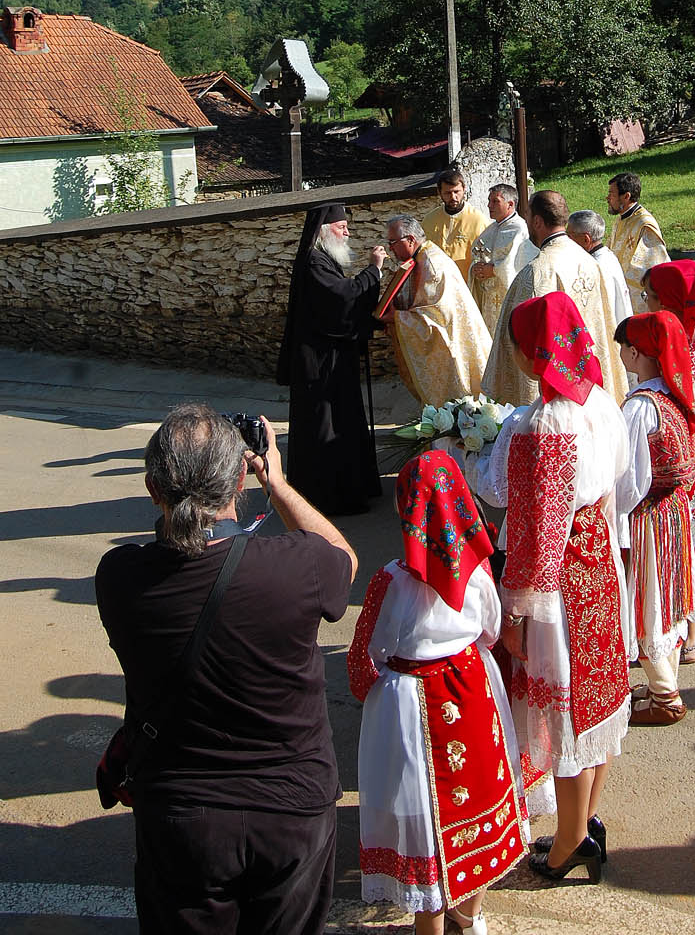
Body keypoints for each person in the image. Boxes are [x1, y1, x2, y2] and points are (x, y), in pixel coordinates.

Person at [95, 405, 357, 935]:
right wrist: (276, 483)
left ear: (152, 488)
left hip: (181, 816)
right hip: (292, 808)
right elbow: (344, 559)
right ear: (239, 480)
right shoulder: (297, 567)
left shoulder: (120, 577)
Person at [478, 292, 630, 884]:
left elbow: (537, 528)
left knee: (563, 707)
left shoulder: (545, 424)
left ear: (532, 353)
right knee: (595, 698)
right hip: (598, 565)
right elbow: (620, 481)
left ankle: (568, 842)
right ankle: (584, 820)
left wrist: (517, 612)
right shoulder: (601, 403)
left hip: (559, 582)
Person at [348, 450, 529, 934]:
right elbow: (490, 631)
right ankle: (469, 916)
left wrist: (372, 689)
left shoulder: (390, 581)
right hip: (472, 690)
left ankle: (428, 925)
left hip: (411, 706)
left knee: (422, 825)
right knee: (478, 803)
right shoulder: (479, 571)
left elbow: (365, 656)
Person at [615, 312, 695, 723]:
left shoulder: (639, 407)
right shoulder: (674, 395)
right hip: (674, 511)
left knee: (646, 599)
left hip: (648, 517)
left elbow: (629, 479)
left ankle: (666, 696)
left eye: (623, 348)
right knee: (669, 597)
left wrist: (615, 516)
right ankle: (660, 685)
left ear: (635, 353)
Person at [277, 203, 385, 516]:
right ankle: (329, 497)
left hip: (331, 359)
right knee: (326, 426)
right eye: (342, 227)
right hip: (319, 364)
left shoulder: (322, 260)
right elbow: (343, 297)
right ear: (325, 231)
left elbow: (343, 303)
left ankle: (353, 487)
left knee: (342, 421)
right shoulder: (314, 262)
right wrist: (374, 270)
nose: (347, 232)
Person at [481, 191, 629, 407]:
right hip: (589, 380)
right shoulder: (588, 260)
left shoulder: (538, 271)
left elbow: (524, 340)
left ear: (537, 222)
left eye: (528, 216)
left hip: (556, 393)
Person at [644, 261, 695, 663]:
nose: (645, 302)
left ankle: (685, 631)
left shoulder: (681, 344)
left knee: (681, 541)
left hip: (674, 452)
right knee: (691, 542)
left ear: (668, 300)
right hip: (693, 444)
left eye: (649, 296)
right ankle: (686, 631)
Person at [382, 216, 492, 408]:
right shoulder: (422, 257)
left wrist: (397, 318)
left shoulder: (432, 265)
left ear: (410, 240)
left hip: (452, 344)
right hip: (451, 340)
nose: (390, 248)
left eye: (393, 242)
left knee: (459, 406)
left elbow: (436, 318)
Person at [469, 182, 537, 333]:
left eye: (495, 201)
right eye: (489, 201)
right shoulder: (491, 229)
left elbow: (518, 264)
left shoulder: (519, 229)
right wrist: (476, 267)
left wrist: (493, 270)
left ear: (510, 204)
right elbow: (476, 254)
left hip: (507, 297)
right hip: (488, 298)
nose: (489, 205)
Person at [606, 172, 670, 312]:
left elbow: (651, 265)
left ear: (626, 196)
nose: (607, 198)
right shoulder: (620, 219)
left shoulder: (644, 224)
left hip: (636, 300)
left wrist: (618, 282)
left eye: (611, 194)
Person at [567, 208, 631, 329]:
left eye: (569, 236)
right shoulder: (607, 256)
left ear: (586, 239)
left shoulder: (594, 267)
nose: (566, 241)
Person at [424, 167, 490, 282]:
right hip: (438, 283)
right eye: (448, 193)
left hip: (468, 284)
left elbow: (488, 257)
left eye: (456, 192)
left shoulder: (478, 220)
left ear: (464, 189)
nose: (453, 197)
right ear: (439, 192)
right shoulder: (429, 220)